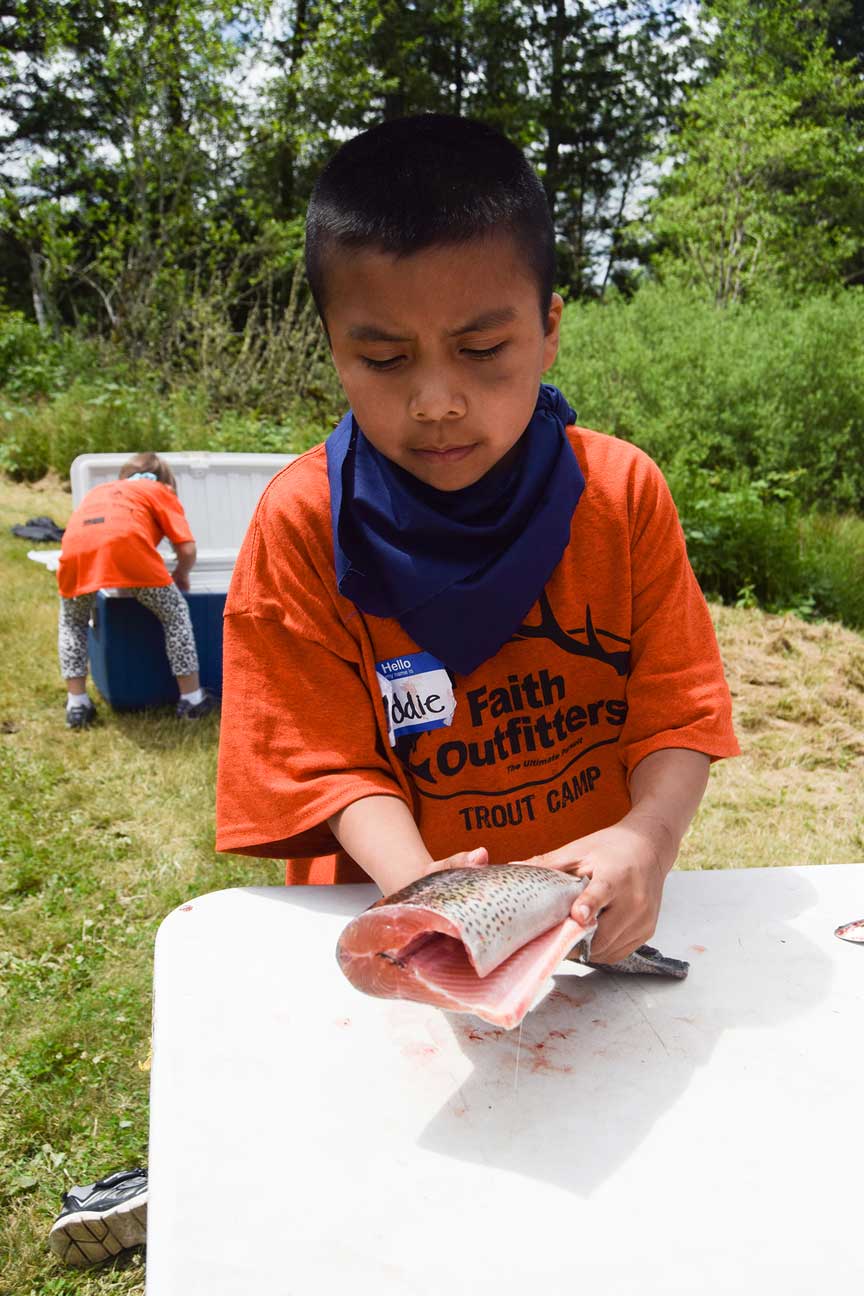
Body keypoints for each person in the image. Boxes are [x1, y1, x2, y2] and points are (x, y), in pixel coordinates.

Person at [215, 114, 740, 965]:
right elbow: (324, 765)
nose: (436, 402)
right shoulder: (303, 524)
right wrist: (434, 898)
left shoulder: (620, 495)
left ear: (550, 329)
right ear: (335, 348)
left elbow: (677, 713)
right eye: (384, 360)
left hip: (587, 926)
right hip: (402, 926)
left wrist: (647, 837)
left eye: (483, 348)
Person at [57, 452, 218, 727]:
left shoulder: (101, 490)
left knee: (72, 622)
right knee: (175, 614)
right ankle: (192, 699)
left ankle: (77, 704)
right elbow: (187, 550)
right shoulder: (161, 491)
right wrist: (180, 573)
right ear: (167, 482)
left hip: (76, 550)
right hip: (128, 549)